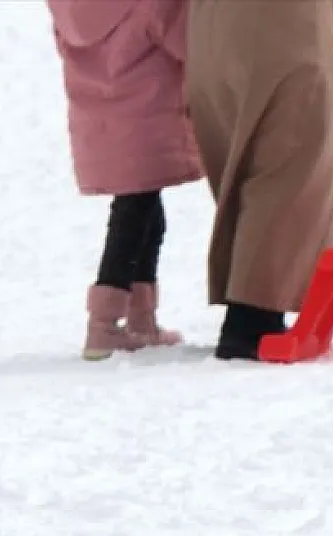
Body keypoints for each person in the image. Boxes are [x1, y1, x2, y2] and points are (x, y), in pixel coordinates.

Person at [184, 0, 333, 360]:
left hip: (211, 39)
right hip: (286, 35)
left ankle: (251, 303)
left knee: (246, 168)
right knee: (289, 168)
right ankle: (253, 316)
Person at [46, 0, 204, 360]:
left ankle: (139, 318)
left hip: (99, 118)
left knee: (146, 214)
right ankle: (103, 324)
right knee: (133, 217)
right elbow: (190, 43)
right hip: (145, 117)